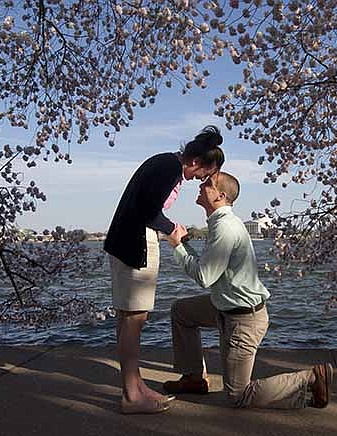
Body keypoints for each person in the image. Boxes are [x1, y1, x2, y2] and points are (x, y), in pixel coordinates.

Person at [163, 171, 333, 409]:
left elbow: (204, 276)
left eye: (208, 183)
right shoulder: (220, 223)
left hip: (243, 319)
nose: (201, 184)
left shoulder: (225, 228)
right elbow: (209, 266)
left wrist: (178, 246)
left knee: (238, 395)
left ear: (220, 196)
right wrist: (185, 245)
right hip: (225, 306)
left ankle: (311, 378)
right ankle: (193, 378)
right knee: (181, 311)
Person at [104, 126, 224, 414]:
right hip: (135, 244)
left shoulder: (163, 162)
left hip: (124, 241)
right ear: (195, 162)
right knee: (135, 318)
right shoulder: (170, 167)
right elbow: (148, 211)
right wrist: (174, 230)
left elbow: (143, 205)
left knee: (127, 317)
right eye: (204, 174)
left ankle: (133, 385)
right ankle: (132, 394)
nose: (202, 180)